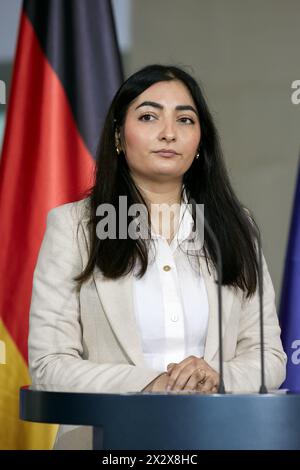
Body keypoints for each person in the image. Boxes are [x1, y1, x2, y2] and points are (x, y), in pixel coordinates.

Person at [28, 64, 286, 449]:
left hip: (219, 438)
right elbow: (49, 366)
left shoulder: (237, 226)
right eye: (149, 116)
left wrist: (215, 377)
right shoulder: (74, 227)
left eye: (185, 119)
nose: (169, 133)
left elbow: (268, 357)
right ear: (118, 136)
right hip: (106, 443)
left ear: (201, 142)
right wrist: (155, 384)